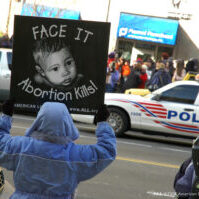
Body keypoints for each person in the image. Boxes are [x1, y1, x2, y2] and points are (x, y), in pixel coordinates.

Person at [0, 100, 117, 199]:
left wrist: (6, 116)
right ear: (67, 122)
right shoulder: (74, 155)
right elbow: (107, 151)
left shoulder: (21, 146)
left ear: (39, 119)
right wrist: (102, 123)